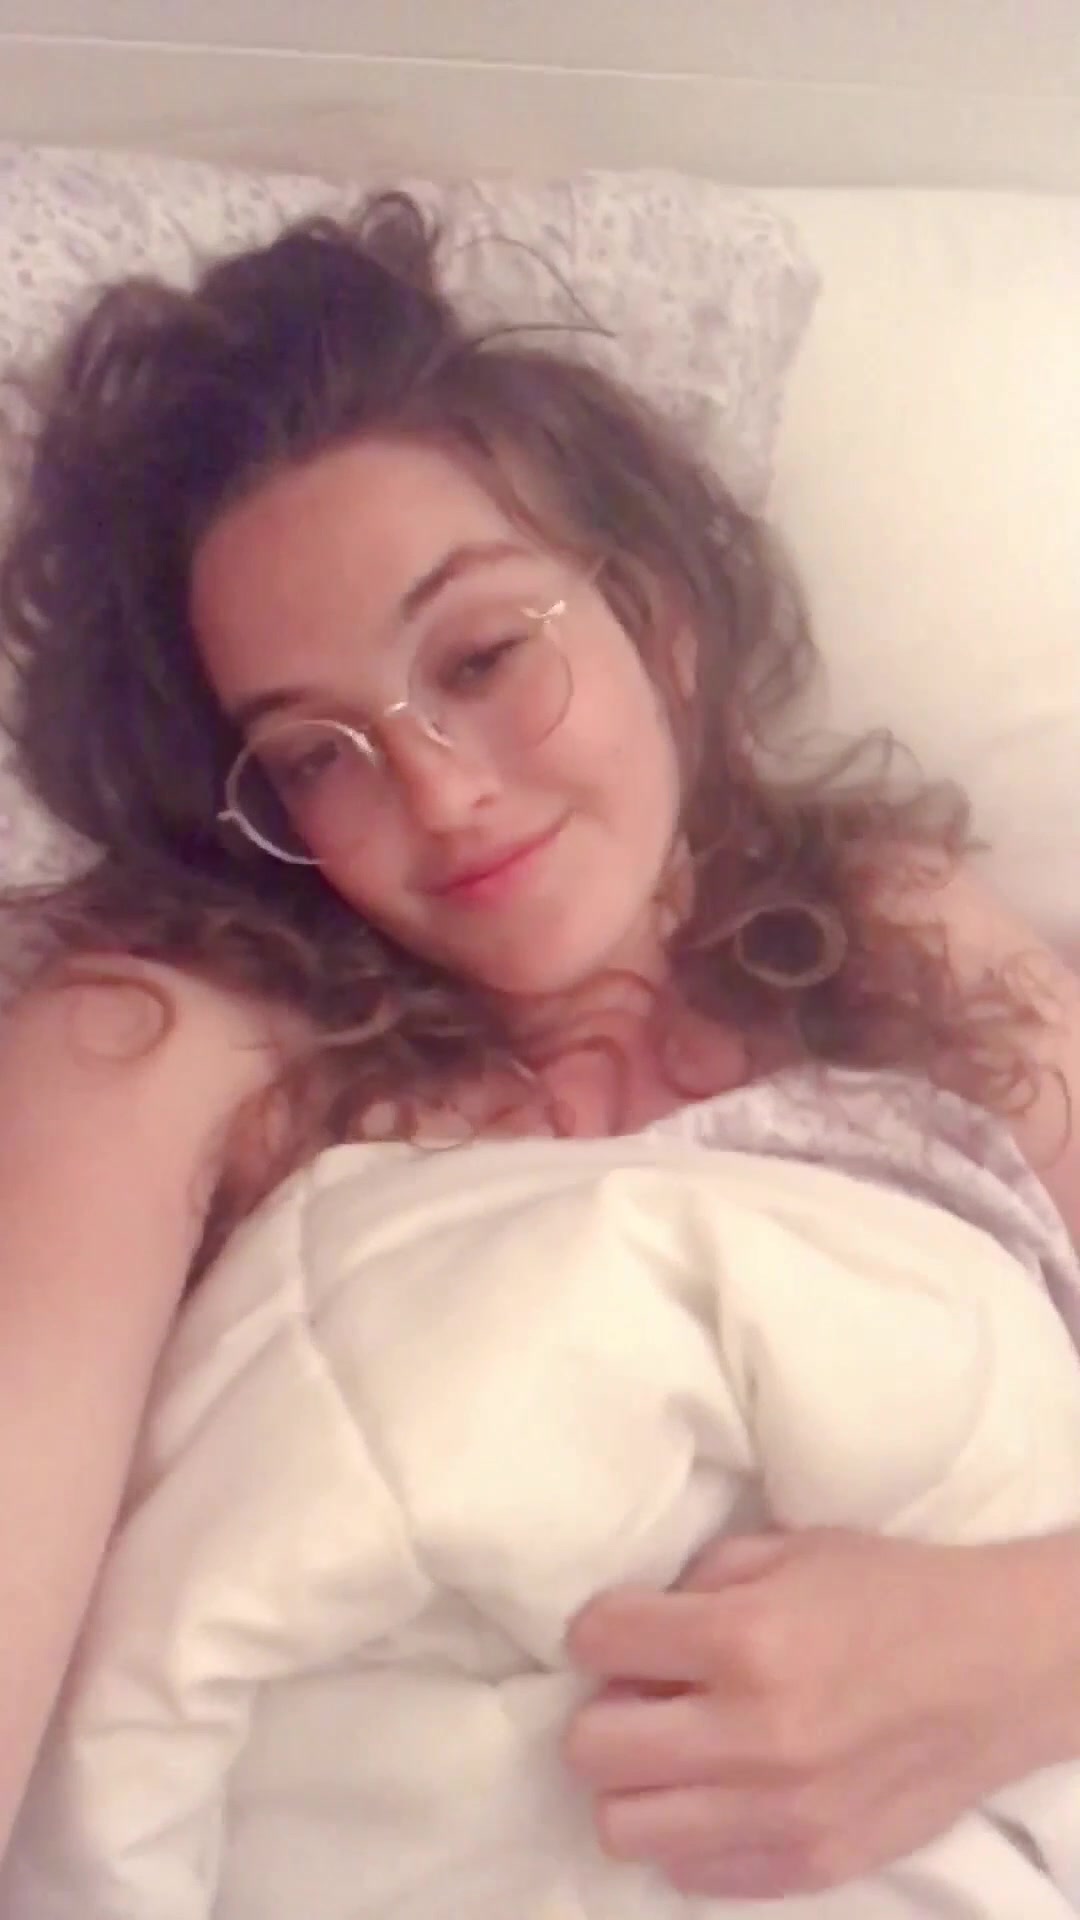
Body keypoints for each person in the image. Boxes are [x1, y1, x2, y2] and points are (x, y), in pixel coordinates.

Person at [0, 190, 1077, 1902]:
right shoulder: (166, 1041)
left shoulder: (907, 931)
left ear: (658, 620)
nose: (440, 794)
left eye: (486, 653)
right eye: (317, 757)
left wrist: (1011, 1648)